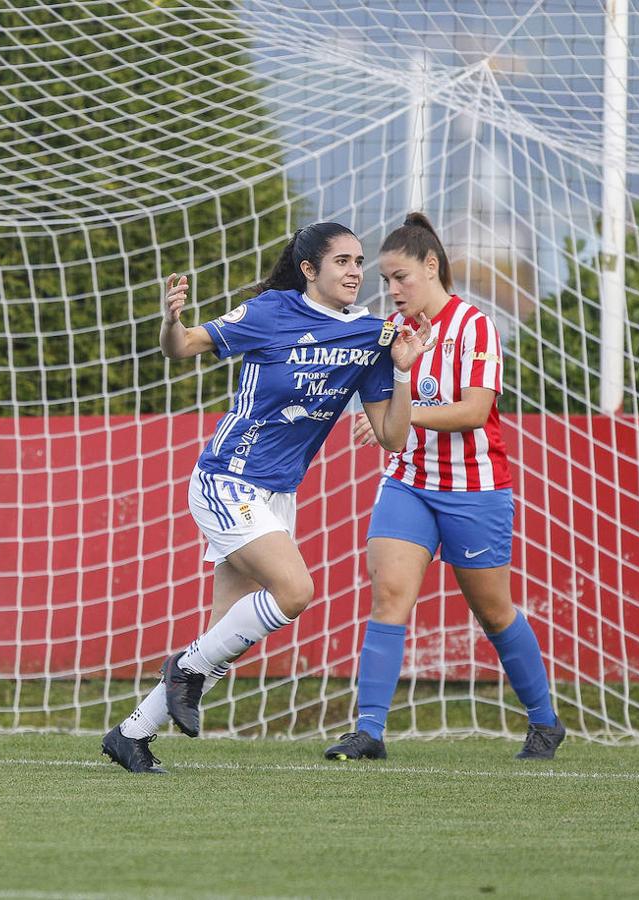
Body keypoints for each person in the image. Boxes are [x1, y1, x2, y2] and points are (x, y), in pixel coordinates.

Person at [101, 222, 433, 774]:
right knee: (295, 589)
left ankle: (130, 734)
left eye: (358, 262)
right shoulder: (269, 312)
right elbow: (180, 348)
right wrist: (171, 319)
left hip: (277, 495)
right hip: (226, 477)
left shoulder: (373, 338)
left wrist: (403, 374)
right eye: (342, 262)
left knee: (222, 638)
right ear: (310, 270)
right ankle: (182, 668)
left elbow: (393, 437)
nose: (355, 272)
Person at [324, 213, 564, 762]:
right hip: (407, 484)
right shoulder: (392, 334)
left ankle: (546, 722)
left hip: (474, 490)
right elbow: (386, 417)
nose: (393, 289)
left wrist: (407, 418)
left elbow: (476, 412)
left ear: (431, 267)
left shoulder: (476, 326)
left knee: (494, 612)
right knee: (389, 597)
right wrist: (379, 419)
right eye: (386, 280)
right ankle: (368, 730)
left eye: (400, 276)